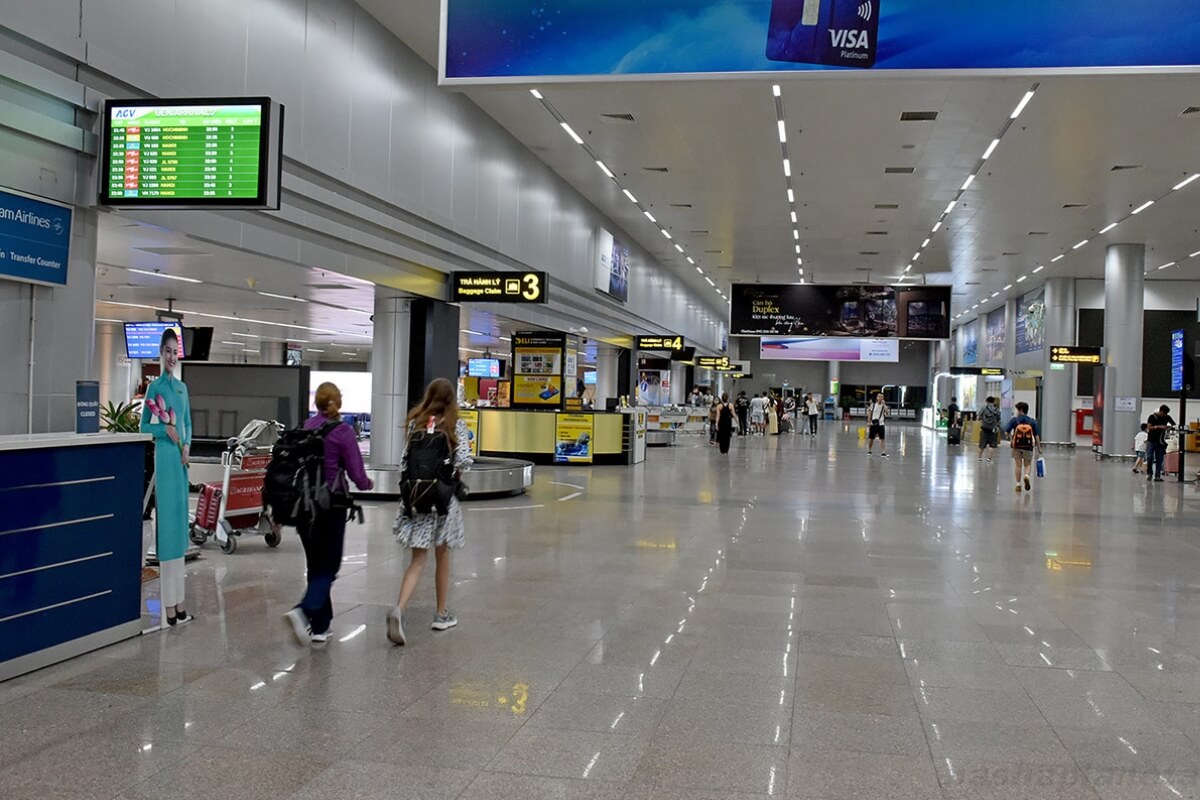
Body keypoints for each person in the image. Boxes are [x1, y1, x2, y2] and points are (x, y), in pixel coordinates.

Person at [283, 382, 373, 645]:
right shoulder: (342, 432)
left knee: (316, 564)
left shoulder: (305, 428)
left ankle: (321, 626)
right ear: (337, 402)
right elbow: (357, 474)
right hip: (330, 506)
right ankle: (303, 610)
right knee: (329, 565)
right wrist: (368, 484)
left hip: (303, 506)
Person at [389, 378, 473, 645]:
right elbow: (464, 461)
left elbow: (403, 461)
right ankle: (440, 613)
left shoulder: (416, 424)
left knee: (417, 560)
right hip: (442, 501)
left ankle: (399, 609)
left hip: (417, 499)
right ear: (451, 399)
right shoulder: (454, 425)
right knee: (442, 554)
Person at [141, 328, 193, 626]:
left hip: (181, 461)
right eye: (168, 351)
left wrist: (187, 445)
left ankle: (180, 602)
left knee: (178, 530)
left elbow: (187, 423)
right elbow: (143, 427)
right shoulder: (154, 389)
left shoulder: (183, 388)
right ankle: (169, 606)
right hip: (164, 459)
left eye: (175, 352)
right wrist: (165, 431)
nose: (172, 357)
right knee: (168, 532)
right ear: (160, 353)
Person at [1004, 401, 1042, 493]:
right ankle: (1027, 476)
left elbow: (1006, 432)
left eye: (1017, 410)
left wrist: (1011, 440)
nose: (1016, 412)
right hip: (1028, 446)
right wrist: (1039, 448)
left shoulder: (1014, 420)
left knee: (1018, 465)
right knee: (1028, 464)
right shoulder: (1032, 421)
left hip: (1016, 446)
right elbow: (1036, 435)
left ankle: (1018, 484)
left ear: (1021, 410)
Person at [1146, 405, 1176, 482]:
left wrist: (1169, 428)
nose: (1165, 415)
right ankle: (1149, 473)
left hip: (1161, 441)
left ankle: (1157, 475)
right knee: (1149, 457)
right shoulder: (1152, 417)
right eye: (1164, 413)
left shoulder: (1167, 417)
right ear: (1161, 411)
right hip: (1151, 440)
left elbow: (1173, 424)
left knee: (1159, 459)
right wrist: (1159, 427)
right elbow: (1149, 427)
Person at [978, 396, 1002, 463]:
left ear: (987, 401)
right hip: (993, 429)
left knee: (981, 445)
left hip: (984, 428)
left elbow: (979, 416)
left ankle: (980, 458)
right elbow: (999, 419)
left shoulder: (984, 408)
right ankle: (989, 458)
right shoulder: (996, 410)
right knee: (992, 445)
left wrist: (982, 420)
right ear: (993, 401)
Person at [867, 392, 890, 458]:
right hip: (873, 423)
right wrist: (869, 422)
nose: (880, 398)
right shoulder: (873, 405)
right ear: (877, 398)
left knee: (882, 438)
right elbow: (869, 413)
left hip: (881, 424)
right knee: (871, 438)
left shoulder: (884, 406)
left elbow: (887, 413)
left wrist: (884, 405)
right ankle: (869, 450)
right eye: (879, 396)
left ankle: (883, 452)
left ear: (883, 398)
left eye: (881, 396)